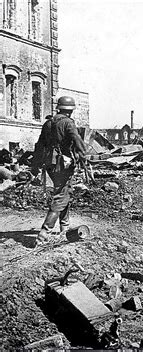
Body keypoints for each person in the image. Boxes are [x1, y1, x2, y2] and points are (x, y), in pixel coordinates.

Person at [31, 96, 86, 245]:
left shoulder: (48, 123)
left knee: (64, 192)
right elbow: (77, 140)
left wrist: (35, 166)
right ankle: (43, 235)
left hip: (49, 164)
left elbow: (39, 145)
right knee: (61, 196)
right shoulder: (68, 123)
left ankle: (64, 228)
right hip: (63, 165)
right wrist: (83, 156)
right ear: (70, 111)